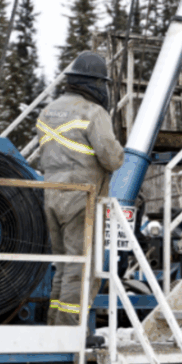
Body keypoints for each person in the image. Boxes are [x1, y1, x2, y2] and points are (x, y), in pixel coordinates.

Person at [36, 51, 124, 326]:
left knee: (62, 264)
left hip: (50, 194)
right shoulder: (93, 112)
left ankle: (55, 321)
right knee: (82, 266)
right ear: (96, 83)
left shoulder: (48, 111)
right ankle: (69, 331)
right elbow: (111, 158)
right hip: (81, 197)